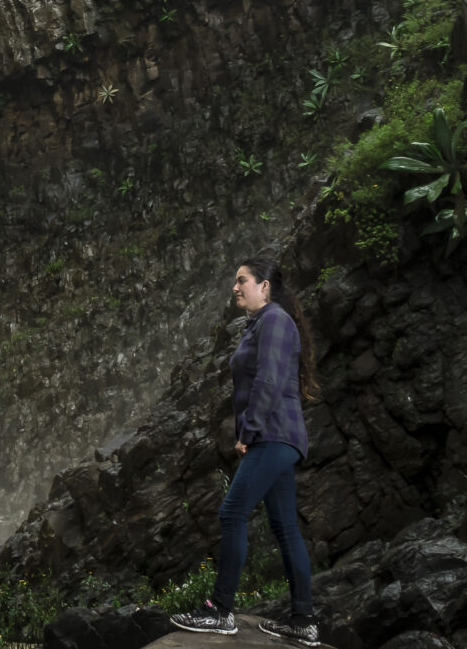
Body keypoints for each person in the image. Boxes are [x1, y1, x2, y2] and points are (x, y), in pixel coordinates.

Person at [171, 256, 320, 645]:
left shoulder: (272, 320)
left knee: (232, 512)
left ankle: (221, 611)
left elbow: (269, 380)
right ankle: (303, 621)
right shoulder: (267, 323)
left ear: (265, 286)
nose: (235, 288)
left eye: (242, 281)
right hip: (282, 437)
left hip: (272, 436)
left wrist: (248, 431)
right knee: (285, 528)